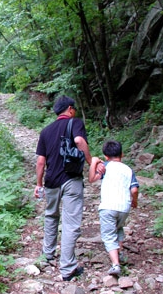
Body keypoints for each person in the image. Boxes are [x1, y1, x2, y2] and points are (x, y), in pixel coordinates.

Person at [34, 95, 94, 281]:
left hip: (51, 181)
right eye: (73, 108)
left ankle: (47, 254)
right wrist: (91, 161)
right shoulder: (75, 122)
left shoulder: (45, 131)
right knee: (70, 222)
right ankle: (67, 267)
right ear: (69, 109)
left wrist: (38, 184)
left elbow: (40, 162)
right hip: (71, 178)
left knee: (51, 215)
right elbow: (79, 141)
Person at [88, 140, 139, 277]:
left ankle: (115, 264)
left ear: (105, 156)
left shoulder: (105, 167)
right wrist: (134, 201)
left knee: (108, 235)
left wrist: (93, 162)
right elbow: (134, 190)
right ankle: (120, 253)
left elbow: (92, 178)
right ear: (122, 154)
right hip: (124, 207)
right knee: (118, 228)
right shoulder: (128, 170)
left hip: (108, 206)